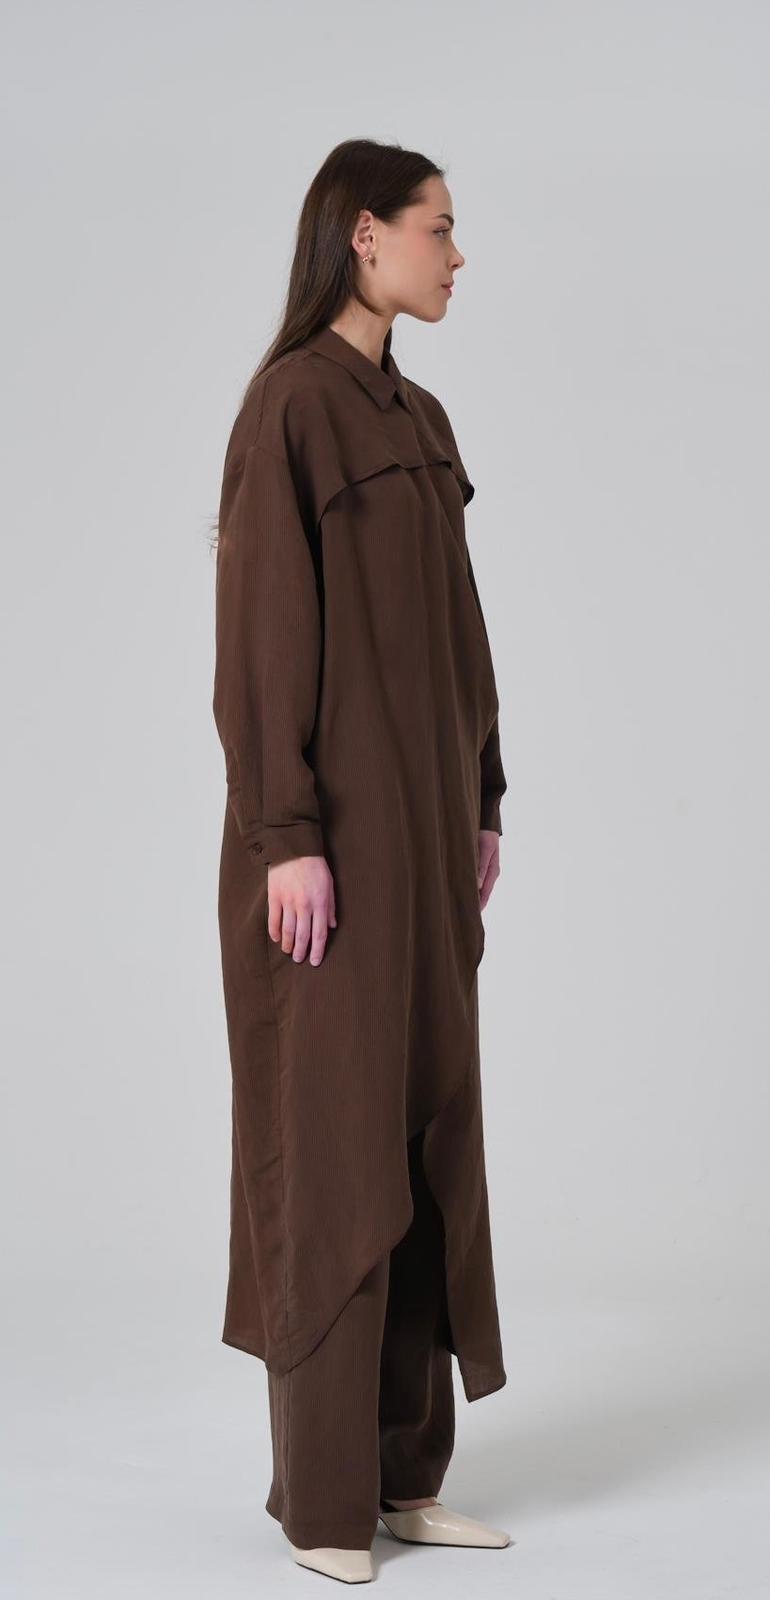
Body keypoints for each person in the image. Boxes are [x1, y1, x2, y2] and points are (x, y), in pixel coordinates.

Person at [212, 137, 512, 1583]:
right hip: (324, 861)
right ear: (364, 237)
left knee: (423, 1142)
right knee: (330, 1159)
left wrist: (483, 801)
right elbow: (262, 639)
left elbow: (461, 637)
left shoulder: (421, 416)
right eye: (439, 227)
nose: (458, 254)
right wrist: (287, 837)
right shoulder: (292, 406)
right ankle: (324, 1502)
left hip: (424, 854)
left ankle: (405, 1477)